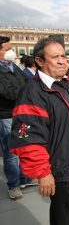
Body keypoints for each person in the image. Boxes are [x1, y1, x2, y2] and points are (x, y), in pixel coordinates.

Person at [9, 16, 69, 225]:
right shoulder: (33, 93)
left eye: (63, 55)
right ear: (39, 61)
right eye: (55, 57)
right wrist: (43, 173)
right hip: (62, 164)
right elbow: (30, 139)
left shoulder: (65, 80)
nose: (62, 60)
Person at [0, 36, 33, 200]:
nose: (11, 52)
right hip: (7, 115)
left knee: (24, 145)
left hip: (21, 112)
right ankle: (13, 185)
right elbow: (7, 92)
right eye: (7, 49)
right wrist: (27, 94)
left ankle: (24, 178)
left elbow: (28, 81)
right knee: (11, 152)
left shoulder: (13, 66)